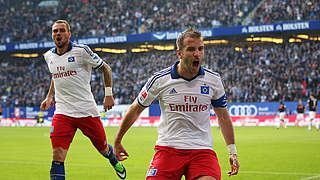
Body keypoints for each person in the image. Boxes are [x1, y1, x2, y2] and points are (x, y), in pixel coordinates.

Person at [114, 27, 239, 180]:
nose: (197, 54)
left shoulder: (213, 80)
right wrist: (118, 139)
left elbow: (224, 117)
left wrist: (232, 151)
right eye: (191, 49)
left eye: (200, 49)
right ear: (179, 53)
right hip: (168, 149)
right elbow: (135, 109)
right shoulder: (160, 80)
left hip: (202, 151)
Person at [40, 20, 126, 180]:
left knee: (103, 149)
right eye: (55, 31)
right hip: (63, 112)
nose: (58, 34)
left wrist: (108, 94)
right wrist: (49, 96)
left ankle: (114, 161)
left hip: (86, 111)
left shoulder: (82, 51)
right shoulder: (49, 56)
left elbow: (106, 68)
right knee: (57, 155)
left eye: (61, 30)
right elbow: (55, 75)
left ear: (69, 34)